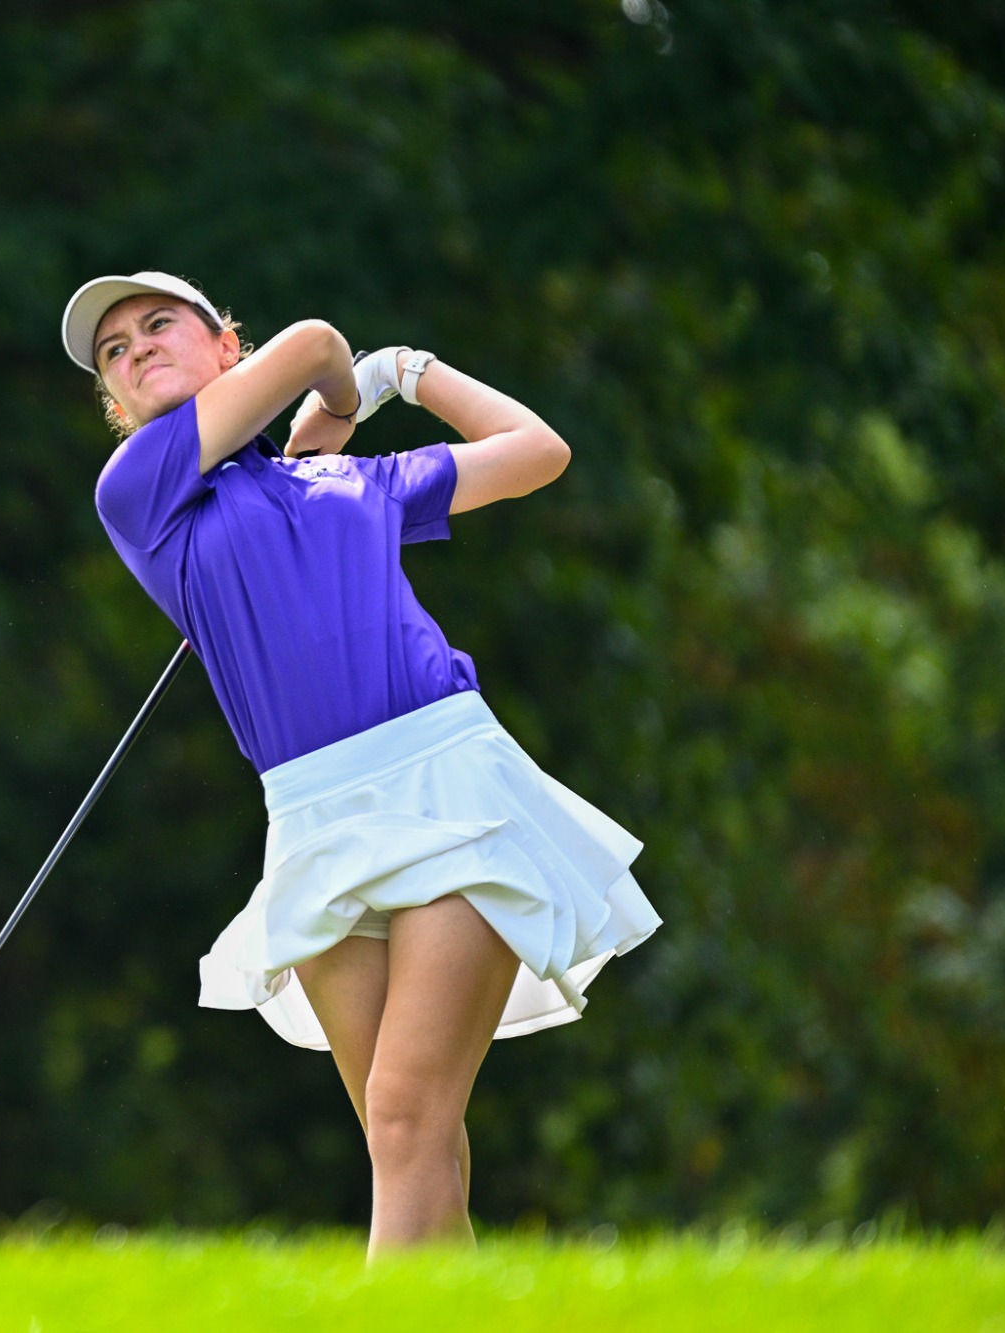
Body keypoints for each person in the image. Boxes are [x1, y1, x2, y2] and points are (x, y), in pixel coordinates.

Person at [62, 271, 661, 1255]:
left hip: (447, 784)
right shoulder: (134, 493)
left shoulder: (355, 483)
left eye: (158, 324)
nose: (134, 350)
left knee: (402, 1117)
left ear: (224, 348)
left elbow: (534, 451)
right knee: (415, 1147)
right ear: (118, 410)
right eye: (114, 355)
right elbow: (308, 351)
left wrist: (401, 375)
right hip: (313, 818)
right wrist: (336, 397)